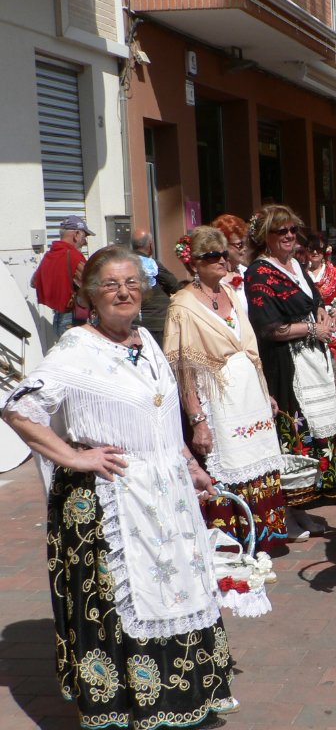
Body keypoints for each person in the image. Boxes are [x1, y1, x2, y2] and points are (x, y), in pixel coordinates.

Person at [3, 244, 237, 727]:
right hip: (109, 501)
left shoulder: (143, 340)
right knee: (119, 605)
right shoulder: (75, 351)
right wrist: (74, 455)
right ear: (90, 294)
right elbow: (18, 407)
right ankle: (130, 706)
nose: (123, 291)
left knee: (179, 588)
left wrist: (187, 461)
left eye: (131, 282)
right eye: (110, 284)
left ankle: (179, 699)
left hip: (163, 495)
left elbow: (158, 415)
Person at [165, 226, 287, 554]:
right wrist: (197, 420)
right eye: (211, 256)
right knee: (228, 463)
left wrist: (265, 393)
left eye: (223, 254)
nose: (221, 260)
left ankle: (266, 536)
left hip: (247, 391)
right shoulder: (183, 305)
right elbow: (183, 369)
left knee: (259, 457)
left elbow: (249, 348)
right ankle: (233, 540)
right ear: (194, 263)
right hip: (216, 396)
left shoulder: (231, 293)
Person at [245, 204, 336, 538]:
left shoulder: (294, 265)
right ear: (267, 237)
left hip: (313, 362)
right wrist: (310, 330)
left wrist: (322, 315)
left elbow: (314, 299)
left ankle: (302, 510)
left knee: (320, 432)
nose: (291, 236)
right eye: (282, 231)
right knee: (293, 438)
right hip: (286, 367)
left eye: (293, 230)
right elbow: (268, 327)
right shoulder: (260, 273)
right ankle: (288, 513)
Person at [30, 215, 92, 340]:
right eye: (84, 237)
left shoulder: (49, 255)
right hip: (74, 318)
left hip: (58, 318)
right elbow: (90, 287)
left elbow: (34, 283)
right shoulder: (75, 256)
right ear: (76, 234)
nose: (85, 242)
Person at [131, 230, 181, 348]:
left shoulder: (125, 263)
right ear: (150, 245)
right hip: (157, 321)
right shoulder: (152, 264)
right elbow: (173, 284)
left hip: (135, 321)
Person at [212, 213, 251, 315]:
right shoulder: (214, 278)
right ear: (223, 246)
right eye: (239, 244)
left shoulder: (246, 272)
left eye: (245, 243)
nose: (244, 248)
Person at [306, 232, 336, 305]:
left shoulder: (333, 273)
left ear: (324, 250)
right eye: (311, 249)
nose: (315, 252)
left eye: (319, 249)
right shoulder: (301, 273)